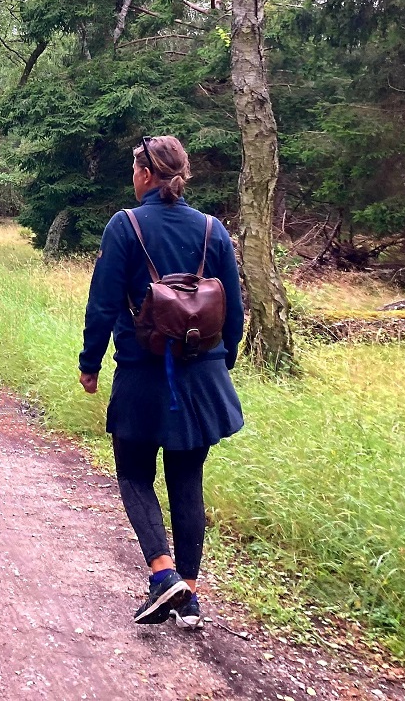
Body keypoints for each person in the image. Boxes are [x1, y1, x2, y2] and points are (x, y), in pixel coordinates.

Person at [78, 135, 243, 628]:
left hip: (143, 377)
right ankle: (188, 595)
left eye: (134, 171)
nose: (132, 180)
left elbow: (104, 304)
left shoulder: (125, 226)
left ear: (146, 175)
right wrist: (220, 361)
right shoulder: (213, 231)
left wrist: (90, 364)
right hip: (204, 376)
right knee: (187, 481)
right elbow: (232, 312)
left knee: (133, 475)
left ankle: (163, 575)